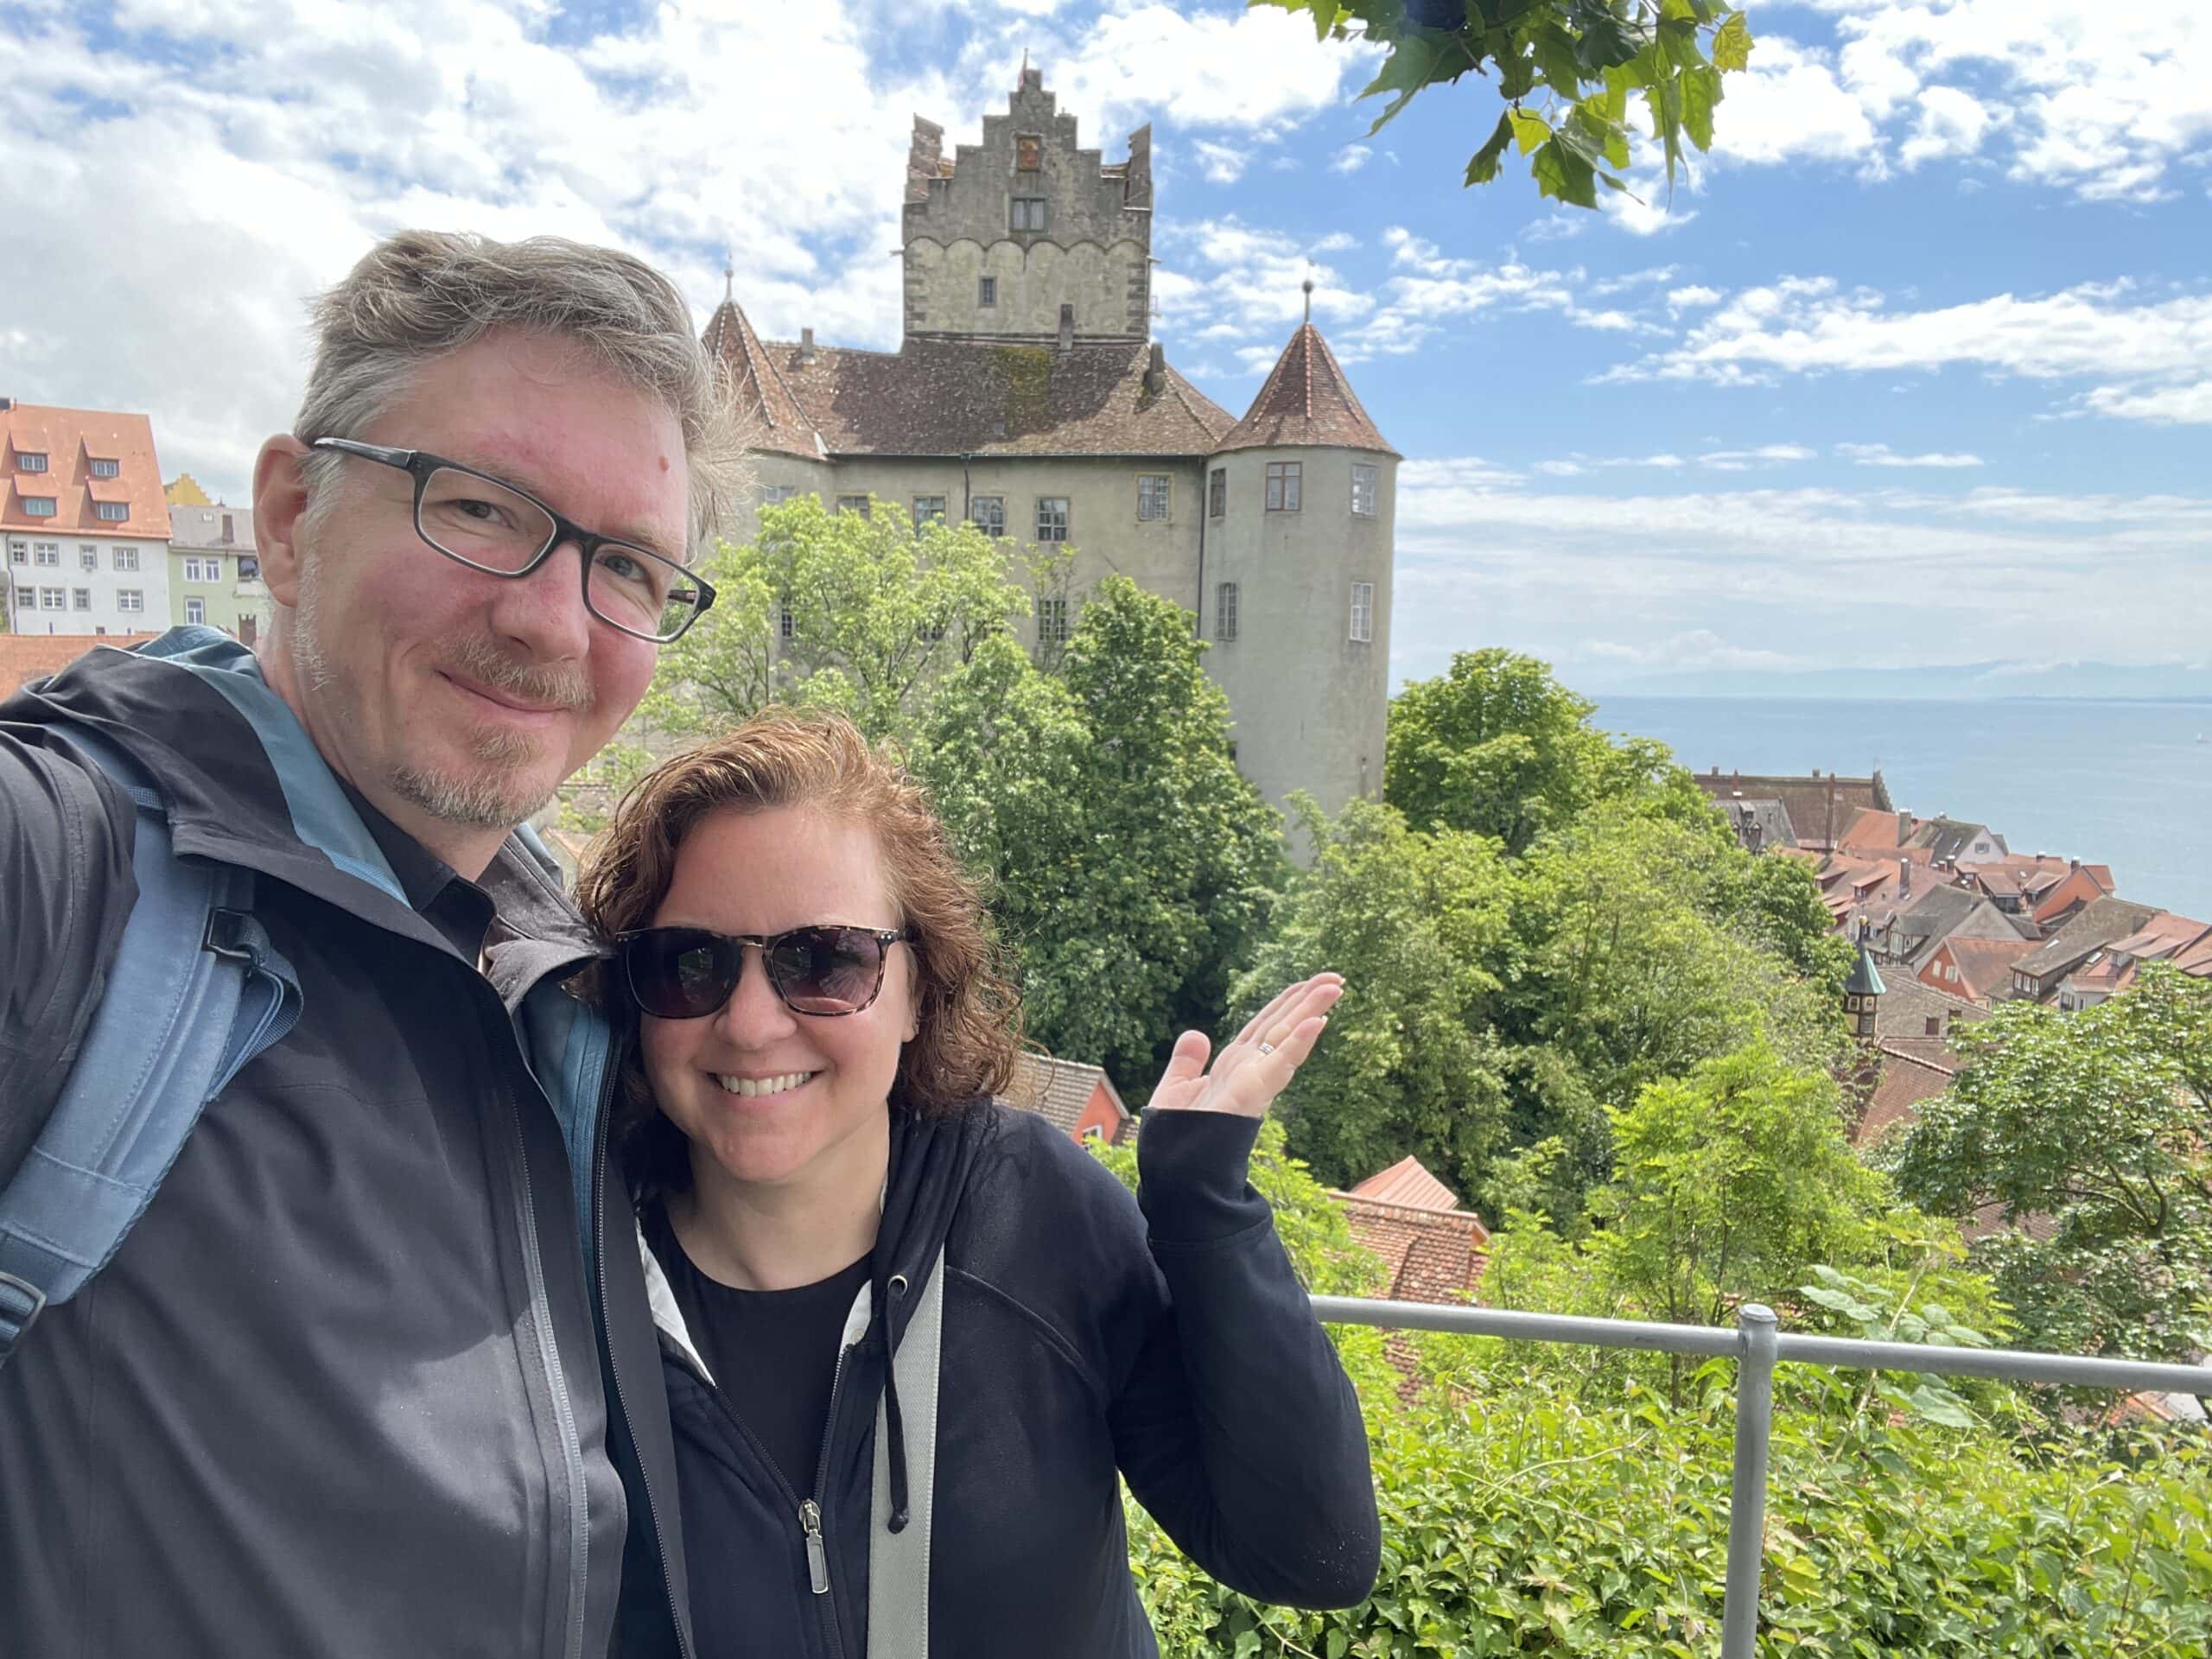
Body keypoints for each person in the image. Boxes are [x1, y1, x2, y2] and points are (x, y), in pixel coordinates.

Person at [0, 231, 740, 1657]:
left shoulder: (564, 985)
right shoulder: (70, 877)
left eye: (630, 571)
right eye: (477, 507)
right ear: (288, 517)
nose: (550, 622)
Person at [575, 712, 1382, 1659]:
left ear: (920, 988)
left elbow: (1308, 1554)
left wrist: (1203, 1205)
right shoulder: (566, 1280)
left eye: (824, 960)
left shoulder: (1036, 1213)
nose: (752, 1024)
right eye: (691, 963)